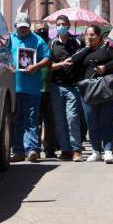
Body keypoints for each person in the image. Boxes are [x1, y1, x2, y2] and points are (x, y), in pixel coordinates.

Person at [71, 26, 113, 164]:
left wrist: (105, 67)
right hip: (88, 91)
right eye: (87, 34)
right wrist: (87, 48)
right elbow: (73, 61)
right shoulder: (83, 50)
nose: (89, 37)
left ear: (100, 37)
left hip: (107, 89)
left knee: (106, 122)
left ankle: (107, 150)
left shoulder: (108, 48)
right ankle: (96, 151)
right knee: (92, 122)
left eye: (93, 34)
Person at [6, 14, 50, 163]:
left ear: (29, 26)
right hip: (14, 88)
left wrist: (36, 66)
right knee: (16, 120)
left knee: (31, 120)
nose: (23, 30)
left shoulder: (38, 40)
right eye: (21, 28)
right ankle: (18, 151)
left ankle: (32, 150)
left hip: (32, 89)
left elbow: (47, 58)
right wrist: (8, 66)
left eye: (25, 27)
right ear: (16, 27)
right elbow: (1, 56)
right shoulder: (9, 40)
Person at [48, 16, 84, 162]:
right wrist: (62, 64)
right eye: (58, 24)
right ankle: (65, 150)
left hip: (72, 87)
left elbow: (82, 61)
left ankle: (76, 149)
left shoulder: (76, 42)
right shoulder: (51, 44)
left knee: (72, 118)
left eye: (63, 24)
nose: (61, 26)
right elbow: (47, 66)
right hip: (56, 86)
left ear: (69, 26)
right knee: (60, 120)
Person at [34, 24, 58, 159]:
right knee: (35, 121)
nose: (42, 31)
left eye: (44, 29)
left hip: (50, 87)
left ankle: (49, 148)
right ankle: (34, 148)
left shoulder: (52, 44)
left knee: (50, 120)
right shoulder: (33, 43)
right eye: (39, 29)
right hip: (35, 87)